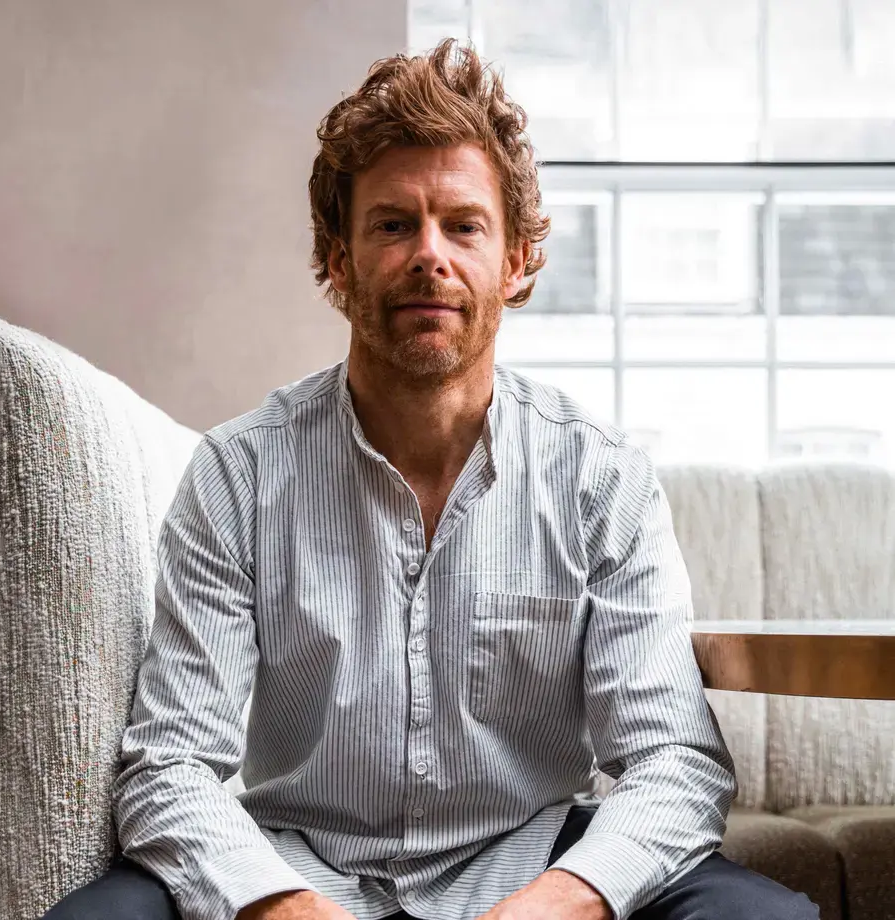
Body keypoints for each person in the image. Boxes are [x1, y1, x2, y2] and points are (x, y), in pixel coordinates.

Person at [44, 39, 819, 920]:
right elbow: (170, 764)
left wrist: (553, 906)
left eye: (463, 224)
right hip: (301, 861)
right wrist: (280, 908)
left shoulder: (602, 481)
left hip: (530, 860)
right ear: (338, 259)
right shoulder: (237, 475)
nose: (428, 255)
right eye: (391, 224)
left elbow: (673, 760)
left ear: (518, 260)